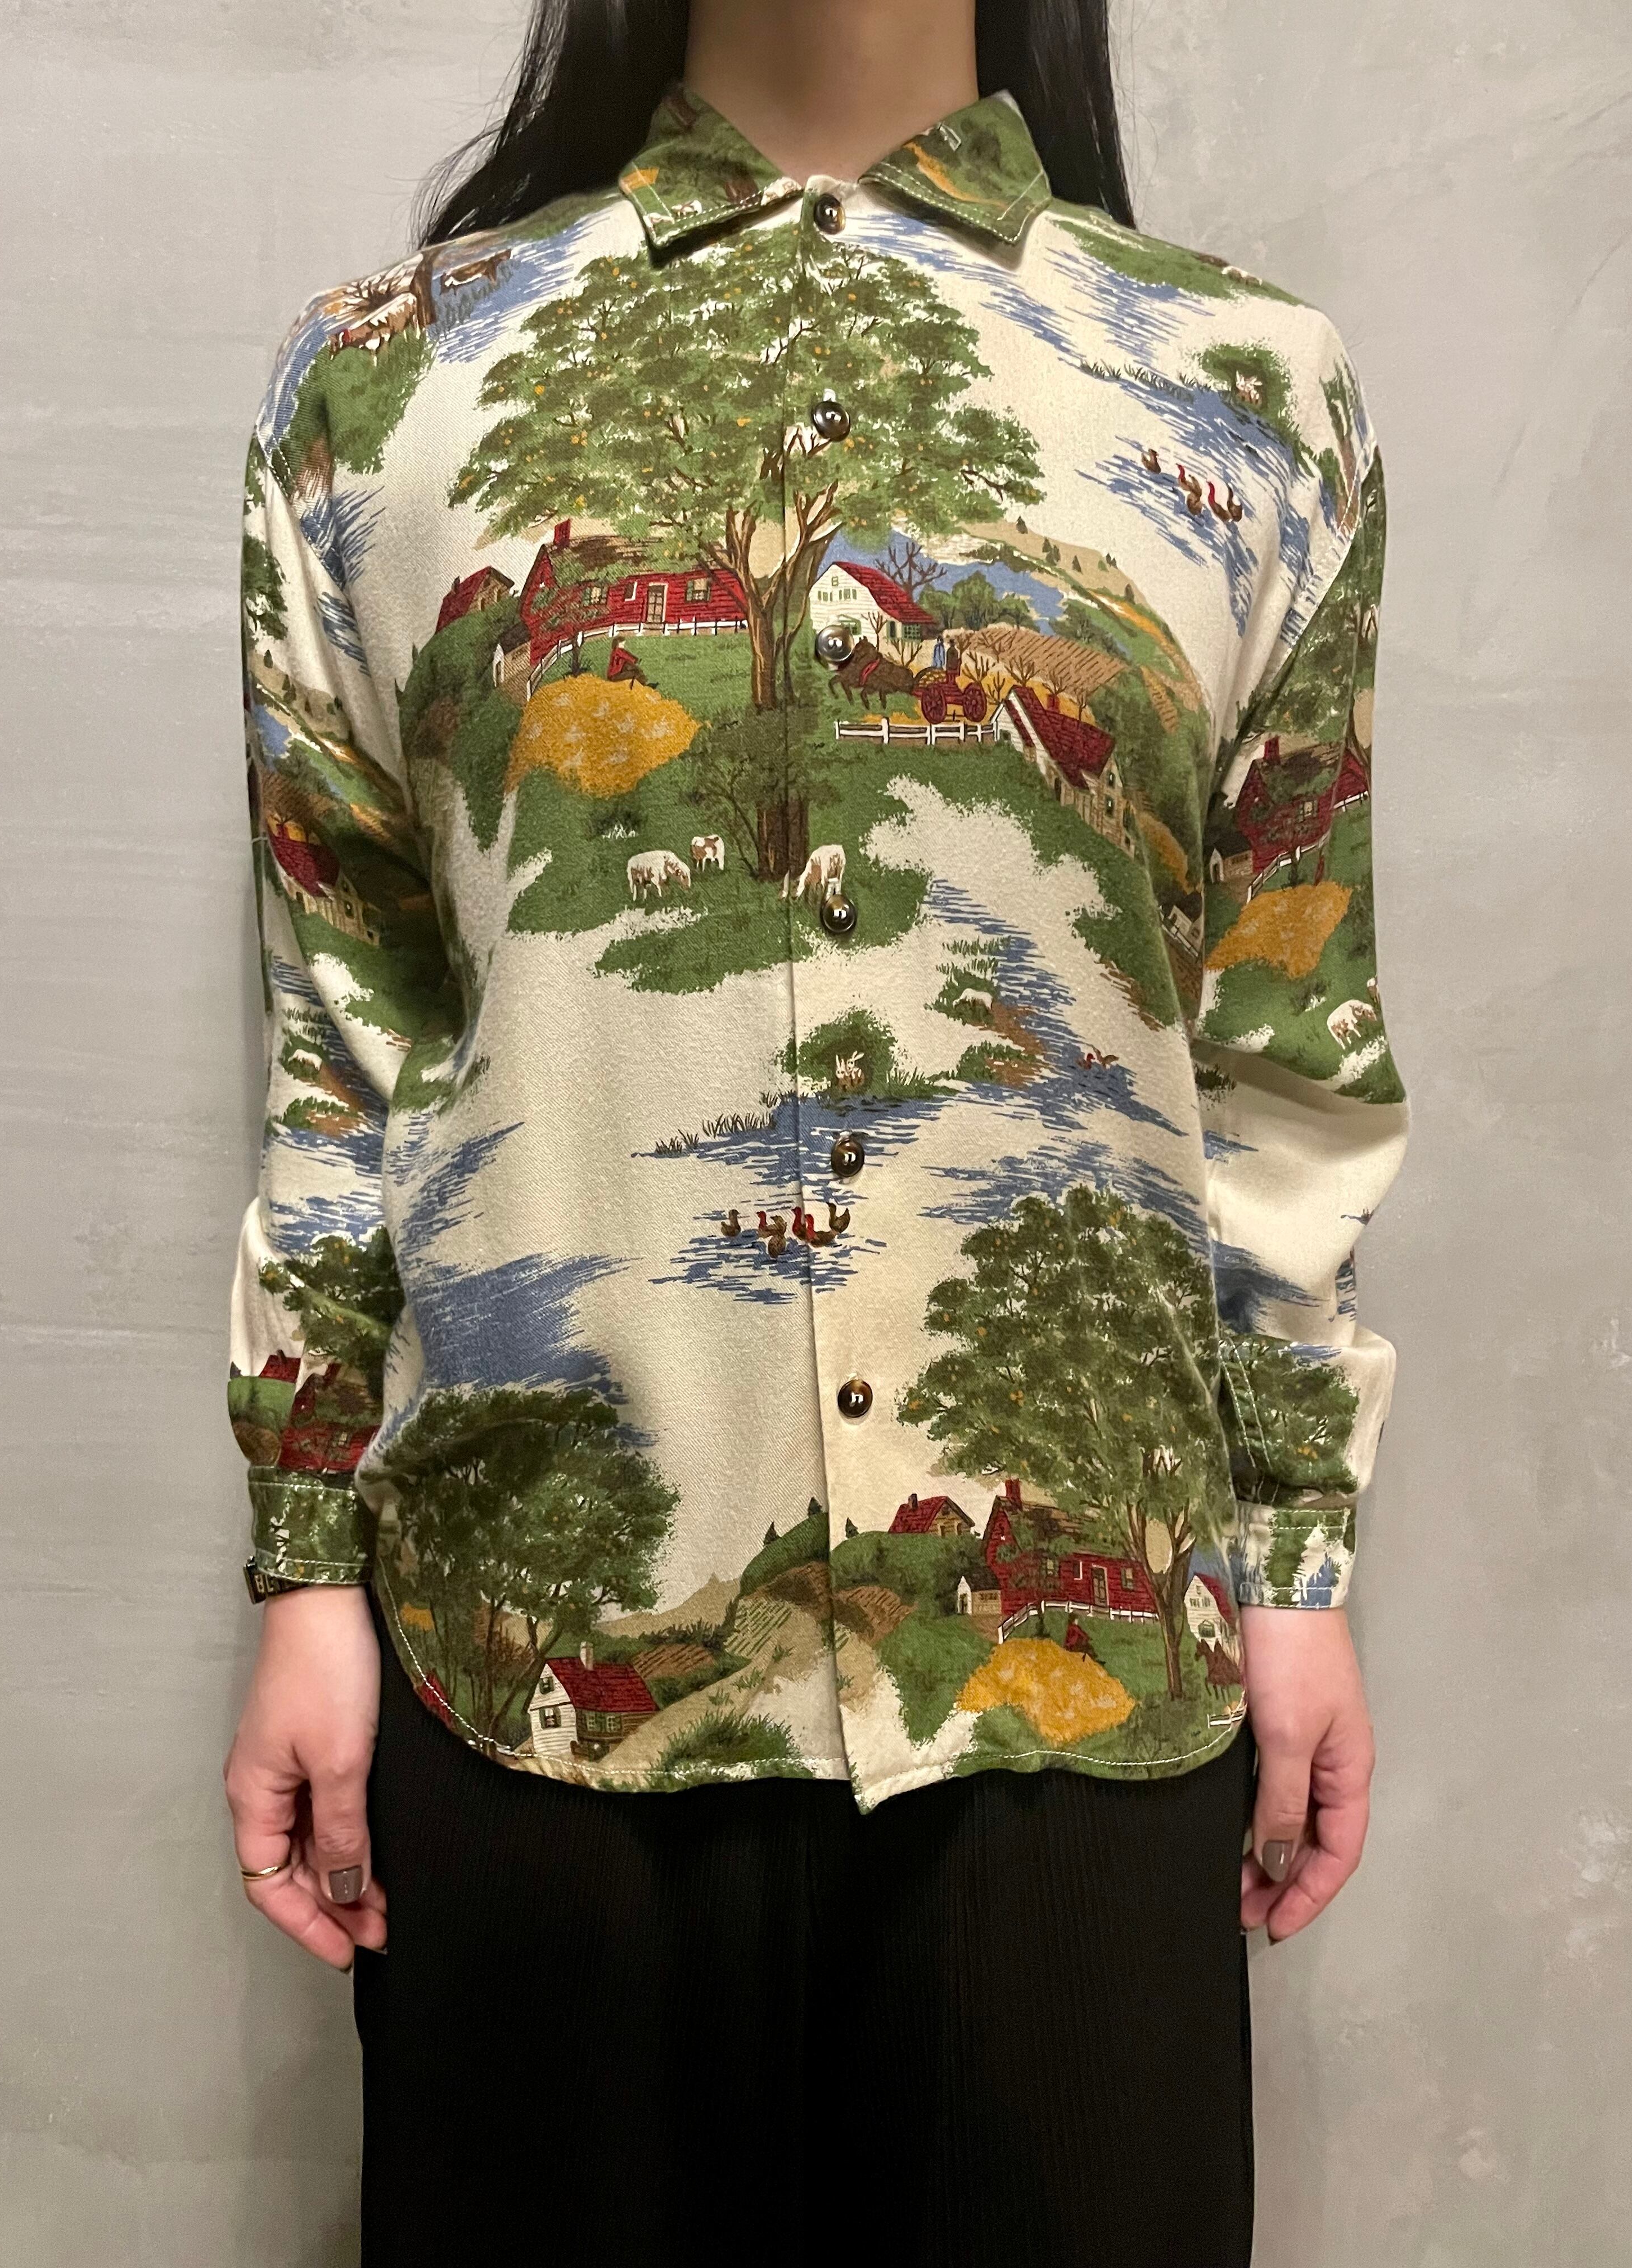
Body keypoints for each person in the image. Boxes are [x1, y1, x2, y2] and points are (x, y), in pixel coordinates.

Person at [222, 2, 1409, 2261]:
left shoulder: (1248, 392)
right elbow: (347, 1039)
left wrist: (1302, 1563)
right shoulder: (383, 386)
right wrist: (303, 1568)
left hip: (1076, 1688)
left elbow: (1280, 1032)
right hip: (543, 1674)